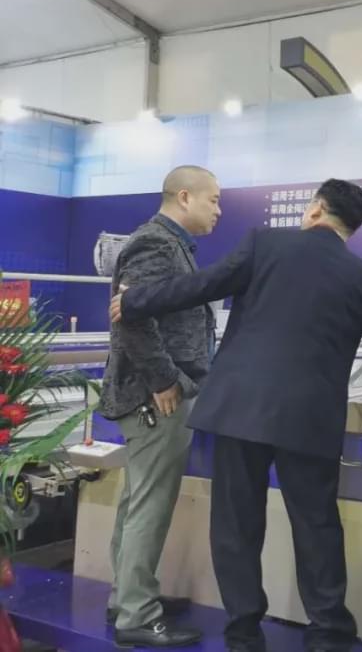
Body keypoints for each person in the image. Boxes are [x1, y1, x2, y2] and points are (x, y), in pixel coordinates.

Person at [110, 179, 362, 652]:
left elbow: (201, 286)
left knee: (236, 526)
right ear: (353, 227)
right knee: (317, 526)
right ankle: (328, 634)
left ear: (315, 209)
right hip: (309, 420)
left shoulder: (265, 244)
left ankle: (243, 633)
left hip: (238, 409)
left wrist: (135, 300)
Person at [100, 165, 221, 648]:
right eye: (213, 200)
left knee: (138, 501)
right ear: (185, 197)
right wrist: (165, 379)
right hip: (156, 398)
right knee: (150, 505)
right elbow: (131, 318)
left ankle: (127, 597)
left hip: (156, 393)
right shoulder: (156, 244)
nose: (218, 210)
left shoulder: (172, 245)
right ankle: (137, 615)